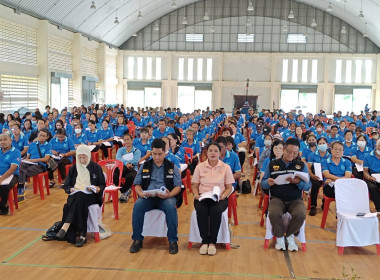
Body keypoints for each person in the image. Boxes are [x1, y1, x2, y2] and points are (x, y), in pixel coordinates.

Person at [130, 138, 181, 254]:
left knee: (171, 207)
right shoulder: (145, 166)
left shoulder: (172, 166)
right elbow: (137, 184)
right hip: (148, 196)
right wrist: (141, 193)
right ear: (151, 152)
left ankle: (173, 240)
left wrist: (169, 195)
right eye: (154, 154)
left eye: (160, 154)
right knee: (137, 205)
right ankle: (137, 239)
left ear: (165, 152)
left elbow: (178, 186)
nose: (157, 157)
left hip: (166, 197)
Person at [261, 138, 310, 252]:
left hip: (295, 199)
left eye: (295, 153)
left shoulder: (301, 165)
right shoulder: (272, 164)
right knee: (273, 213)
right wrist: (267, 182)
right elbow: (263, 183)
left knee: (301, 214)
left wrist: (299, 183)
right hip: (277, 198)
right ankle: (279, 237)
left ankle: (289, 235)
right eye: (289, 151)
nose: (292, 155)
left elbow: (308, 186)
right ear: (283, 149)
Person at [57, 145, 106, 246]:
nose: (82, 160)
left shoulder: (95, 167)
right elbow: (67, 185)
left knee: (79, 198)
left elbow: (102, 184)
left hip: (91, 196)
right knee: (79, 197)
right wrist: (69, 189)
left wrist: (98, 188)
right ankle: (82, 234)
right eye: (79, 157)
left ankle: (66, 226)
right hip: (76, 195)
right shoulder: (74, 168)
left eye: (84, 157)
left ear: (88, 156)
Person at [191, 142, 234, 255]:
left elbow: (229, 187)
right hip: (202, 196)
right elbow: (194, 186)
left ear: (220, 153)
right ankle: (204, 242)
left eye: (216, 151)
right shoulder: (200, 166)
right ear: (206, 152)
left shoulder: (226, 167)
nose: (213, 153)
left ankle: (212, 242)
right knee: (201, 210)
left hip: (219, 197)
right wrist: (196, 195)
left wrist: (223, 195)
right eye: (210, 150)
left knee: (215, 211)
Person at [17, 128, 52, 202]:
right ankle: (21, 188)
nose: (41, 137)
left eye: (43, 136)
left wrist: (31, 160)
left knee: (23, 172)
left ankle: (20, 190)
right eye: (40, 135)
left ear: (47, 137)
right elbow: (28, 157)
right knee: (21, 167)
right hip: (29, 163)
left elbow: (46, 159)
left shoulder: (48, 145)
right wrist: (26, 160)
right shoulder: (32, 144)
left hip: (40, 165)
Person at [307, 137, 330, 216]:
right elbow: (309, 167)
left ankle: (324, 202)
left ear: (327, 144)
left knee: (329, 185)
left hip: (327, 175)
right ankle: (313, 205)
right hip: (316, 175)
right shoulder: (313, 154)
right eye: (320, 143)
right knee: (316, 185)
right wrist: (312, 175)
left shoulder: (330, 155)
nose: (322, 145)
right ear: (317, 145)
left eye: (323, 143)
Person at [116, 133, 141, 203]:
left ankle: (124, 192)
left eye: (128, 139)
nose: (126, 141)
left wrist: (129, 164)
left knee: (130, 176)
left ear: (132, 140)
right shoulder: (121, 150)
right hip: (122, 169)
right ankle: (125, 191)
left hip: (133, 169)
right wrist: (126, 163)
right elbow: (118, 158)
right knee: (114, 174)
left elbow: (136, 161)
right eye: (125, 140)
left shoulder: (137, 151)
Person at [0, 133, 21, 215]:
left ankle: (4, 207)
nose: (2, 142)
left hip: (12, 175)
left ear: (10, 141)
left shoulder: (16, 152)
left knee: (4, 186)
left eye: (5, 139)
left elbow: (12, 169)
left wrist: (1, 179)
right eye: (0, 140)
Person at [363, 139, 380, 212]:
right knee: (373, 188)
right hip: (372, 177)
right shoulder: (368, 157)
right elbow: (365, 172)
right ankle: (379, 207)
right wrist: (369, 178)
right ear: (376, 146)